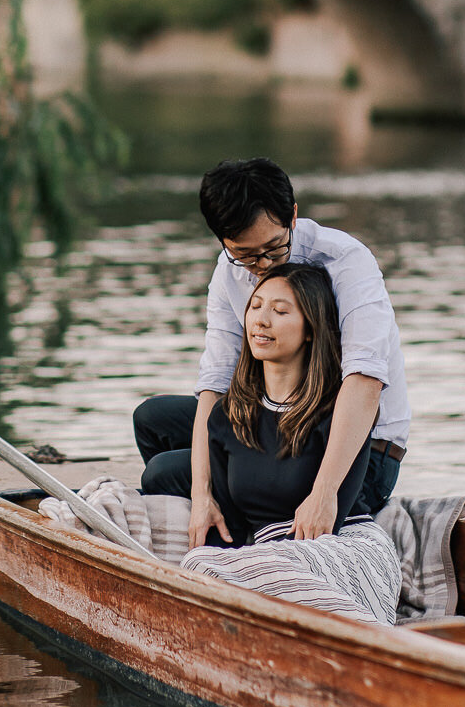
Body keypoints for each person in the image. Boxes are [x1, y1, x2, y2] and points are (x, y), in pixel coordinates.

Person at [133, 157, 410, 550]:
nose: (261, 266)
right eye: (246, 255)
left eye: (273, 248)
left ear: (293, 216)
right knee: (154, 419)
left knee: (162, 473)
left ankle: (246, 536)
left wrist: (324, 494)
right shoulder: (229, 269)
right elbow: (215, 382)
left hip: (357, 447)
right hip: (274, 420)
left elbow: (364, 380)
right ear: (223, 241)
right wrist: (201, 494)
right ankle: (224, 520)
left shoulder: (347, 262)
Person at [180, 263, 400, 625]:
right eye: (255, 307)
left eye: (280, 311)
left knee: (201, 566)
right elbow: (232, 533)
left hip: (343, 550)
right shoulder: (226, 417)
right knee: (201, 563)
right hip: (267, 561)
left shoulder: (338, 412)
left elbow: (331, 520)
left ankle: (381, 642)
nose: (261, 321)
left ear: (311, 329)